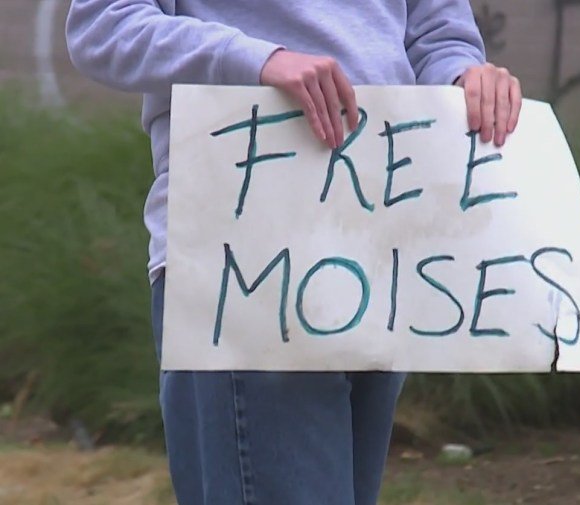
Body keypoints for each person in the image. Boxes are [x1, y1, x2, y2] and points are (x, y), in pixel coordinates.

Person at [65, 1, 522, 504]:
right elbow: (102, 25)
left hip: (382, 243)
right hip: (247, 252)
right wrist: (258, 60)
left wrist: (464, 77)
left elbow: (436, 32)